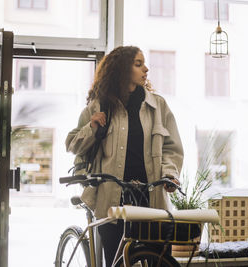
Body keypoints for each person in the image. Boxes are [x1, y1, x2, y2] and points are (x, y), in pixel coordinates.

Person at [65, 46, 183, 266]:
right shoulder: (99, 106)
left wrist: (170, 174)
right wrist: (91, 127)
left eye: (144, 64)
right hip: (112, 200)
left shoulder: (158, 106)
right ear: (121, 70)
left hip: (151, 198)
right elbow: (72, 144)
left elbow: (171, 149)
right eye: (138, 64)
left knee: (157, 259)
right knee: (117, 261)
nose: (146, 69)